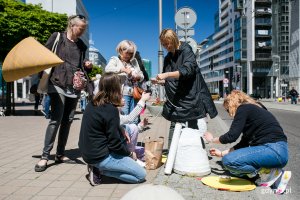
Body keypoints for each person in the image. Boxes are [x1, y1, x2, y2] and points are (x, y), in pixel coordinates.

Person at [34, 14, 92, 172]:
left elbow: (81, 65)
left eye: (84, 29)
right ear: (72, 25)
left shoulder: (81, 45)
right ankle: (45, 156)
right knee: (56, 119)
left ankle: (60, 153)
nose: (82, 32)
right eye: (81, 28)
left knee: (68, 120)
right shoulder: (57, 37)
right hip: (57, 82)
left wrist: (87, 65)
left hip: (73, 86)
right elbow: (44, 55)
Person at [203, 90, 291, 194]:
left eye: (228, 110)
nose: (230, 114)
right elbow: (243, 143)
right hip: (280, 154)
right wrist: (221, 153)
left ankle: (267, 172)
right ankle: (270, 174)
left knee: (228, 161)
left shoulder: (243, 108)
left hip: (272, 150)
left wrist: (212, 140)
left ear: (232, 104)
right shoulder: (256, 109)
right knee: (233, 169)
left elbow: (231, 136)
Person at [152, 28, 218, 148]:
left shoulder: (186, 50)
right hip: (176, 99)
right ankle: (173, 155)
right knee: (173, 124)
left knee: (193, 126)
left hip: (190, 97)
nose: (166, 46)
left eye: (167, 43)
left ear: (174, 39)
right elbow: (169, 79)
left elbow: (187, 71)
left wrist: (166, 75)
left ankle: (198, 153)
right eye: (163, 44)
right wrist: (159, 81)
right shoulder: (168, 58)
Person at [79, 73, 146, 186]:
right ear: (116, 88)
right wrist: (130, 154)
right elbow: (115, 144)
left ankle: (99, 167)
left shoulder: (92, 103)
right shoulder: (111, 109)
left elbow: (103, 125)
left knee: (127, 130)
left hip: (87, 153)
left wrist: (120, 128)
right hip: (100, 156)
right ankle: (101, 170)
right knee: (141, 175)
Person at [105, 40, 144, 124]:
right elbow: (107, 69)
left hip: (135, 93)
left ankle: (134, 135)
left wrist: (138, 76)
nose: (129, 55)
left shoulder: (134, 61)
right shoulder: (115, 59)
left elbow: (142, 75)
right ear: (120, 50)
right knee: (124, 117)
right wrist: (123, 69)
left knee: (135, 118)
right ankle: (124, 136)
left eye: (131, 53)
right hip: (122, 93)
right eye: (127, 53)